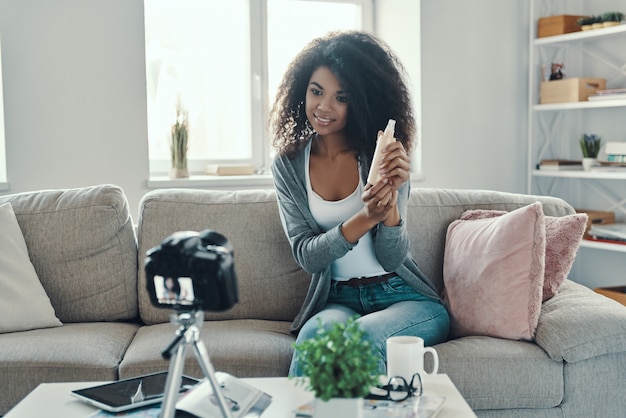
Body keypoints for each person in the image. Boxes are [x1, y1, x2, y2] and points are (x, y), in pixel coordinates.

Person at [269, 30, 450, 377]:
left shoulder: (382, 155)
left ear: (362, 101)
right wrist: (367, 217)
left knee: (363, 340)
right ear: (301, 90)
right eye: (316, 92)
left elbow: (392, 258)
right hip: (337, 299)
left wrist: (391, 210)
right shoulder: (288, 166)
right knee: (315, 346)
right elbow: (308, 255)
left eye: (341, 97)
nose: (324, 107)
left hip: (402, 297)